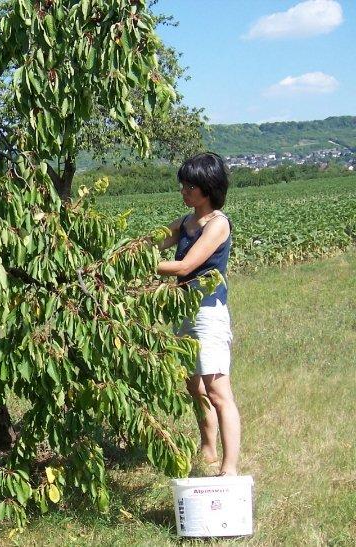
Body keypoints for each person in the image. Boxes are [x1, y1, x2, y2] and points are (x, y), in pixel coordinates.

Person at [156, 152, 241, 477]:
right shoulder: (186, 221)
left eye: (189, 186)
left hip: (208, 314)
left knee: (218, 390)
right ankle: (208, 447)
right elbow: (155, 241)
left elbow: (185, 266)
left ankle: (229, 468)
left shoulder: (218, 224)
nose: (183, 191)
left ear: (208, 188)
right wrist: (126, 249)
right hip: (184, 311)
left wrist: (138, 265)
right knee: (194, 386)